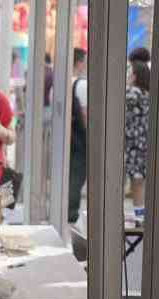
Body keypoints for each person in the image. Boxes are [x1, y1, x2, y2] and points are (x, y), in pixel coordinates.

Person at [124, 61, 150, 207]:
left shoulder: (133, 93)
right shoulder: (147, 94)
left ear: (135, 76)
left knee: (135, 183)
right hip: (143, 144)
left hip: (132, 146)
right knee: (138, 183)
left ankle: (139, 215)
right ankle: (140, 214)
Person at [68, 48, 88, 224]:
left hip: (68, 136)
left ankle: (67, 209)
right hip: (80, 138)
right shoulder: (81, 85)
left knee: (70, 173)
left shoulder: (63, 82)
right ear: (80, 62)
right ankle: (71, 212)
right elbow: (85, 113)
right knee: (78, 173)